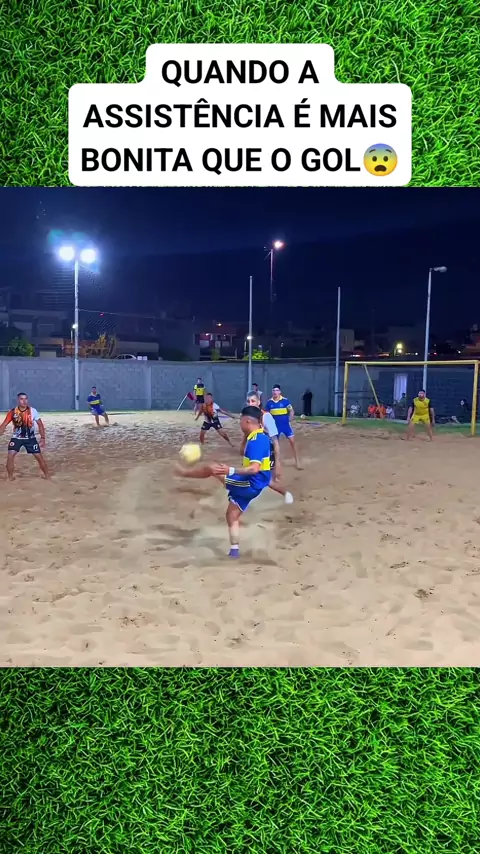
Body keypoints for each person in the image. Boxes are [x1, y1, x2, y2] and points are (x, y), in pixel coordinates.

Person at [176, 405, 274, 558]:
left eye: (241, 420)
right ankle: (234, 551)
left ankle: (184, 473)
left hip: (250, 483)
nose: (239, 423)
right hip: (255, 483)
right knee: (231, 515)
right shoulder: (259, 436)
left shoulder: (256, 441)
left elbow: (254, 468)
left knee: (212, 468)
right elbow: (245, 454)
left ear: (247, 421)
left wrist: (231, 470)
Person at [245, 390, 293, 504]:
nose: (250, 404)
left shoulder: (266, 417)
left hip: (266, 451)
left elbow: (275, 441)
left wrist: (278, 463)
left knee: (263, 477)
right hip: (254, 449)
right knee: (258, 476)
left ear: (259, 402)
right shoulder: (247, 416)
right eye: (248, 401)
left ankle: (284, 493)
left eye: (253, 401)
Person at [0, 392, 50, 480]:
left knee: (39, 457)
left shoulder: (33, 411)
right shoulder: (12, 412)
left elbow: (40, 425)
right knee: (10, 455)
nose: (24, 401)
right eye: (21, 399)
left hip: (30, 438)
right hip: (17, 438)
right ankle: (10, 477)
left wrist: (42, 438)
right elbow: (4, 424)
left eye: (25, 399)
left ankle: (47, 476)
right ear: (18, 400)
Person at [264, 384, 301, 469]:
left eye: (277, 390)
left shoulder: (285, 401)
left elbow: (291, 411)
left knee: (292, 442)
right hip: (275, 427)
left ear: (280, 392)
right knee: (274, 446)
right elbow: (266, 415)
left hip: (286, 426)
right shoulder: (269, 403)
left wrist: (290, 418)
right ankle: (276, 463)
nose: (275, 392)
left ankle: (297, 461)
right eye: (274, 390)